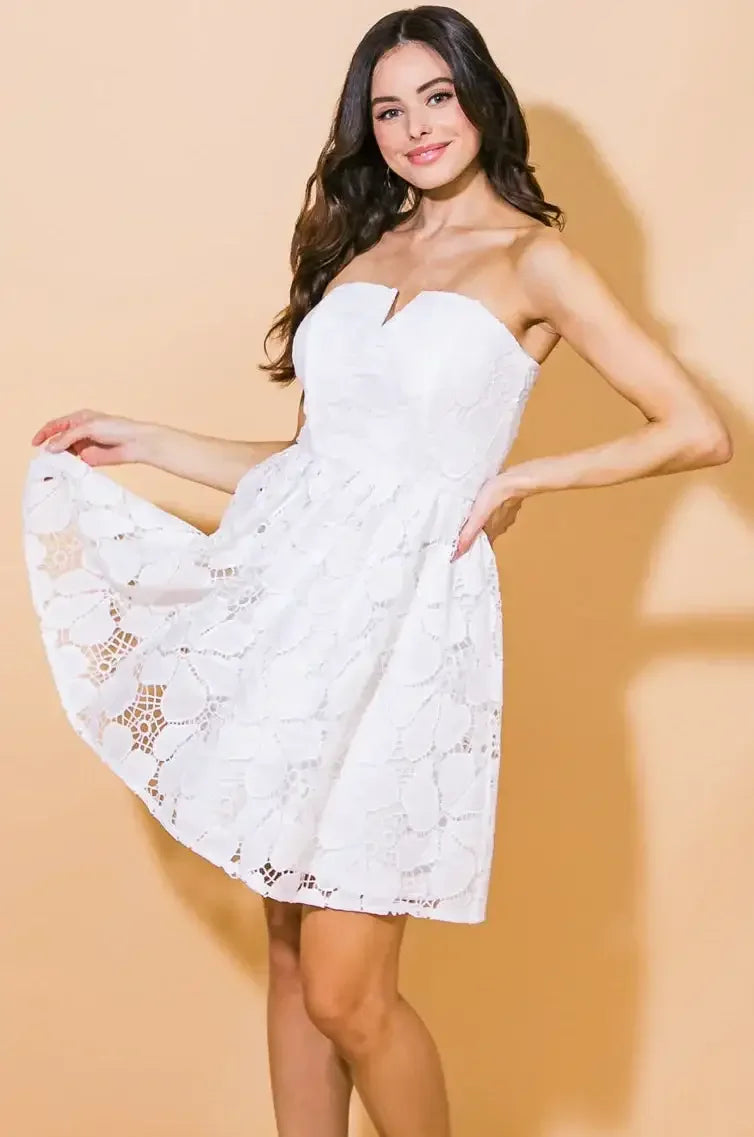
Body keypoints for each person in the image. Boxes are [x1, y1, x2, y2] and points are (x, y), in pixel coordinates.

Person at [21, 7, 732, 1137]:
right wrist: (143, 440)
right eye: (389, 109)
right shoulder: (359, 251)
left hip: (407, 637)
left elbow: (696, 429)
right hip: (291, 613)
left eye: (436, 97)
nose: (415, 129)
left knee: (350, 992)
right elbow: (315, 470)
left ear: (479, 99)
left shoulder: (534, 259)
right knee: (290, 952)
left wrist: (522, 479)